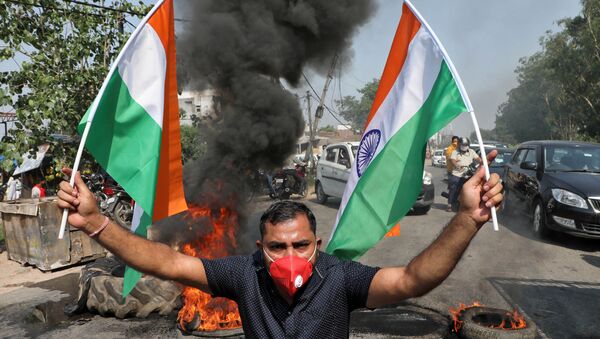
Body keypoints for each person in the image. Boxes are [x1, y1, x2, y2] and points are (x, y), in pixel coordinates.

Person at [56, 150, 503, 338]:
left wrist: (466, 219)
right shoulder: (243, 273)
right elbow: (169, 263)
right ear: (260, 246)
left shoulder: (340, 277)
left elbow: (411, 279)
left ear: (318, 243)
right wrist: (97, 223)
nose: (290, 258)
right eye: (277, 247)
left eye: (300, 245)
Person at [448, 137, 481, 212]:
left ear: (468, 145)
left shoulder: (471, 152)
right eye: (463, 144)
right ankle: (449, 204)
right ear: (459, 144)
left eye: (466, 144)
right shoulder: (455, 152)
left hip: (468, 173)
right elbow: (452, 160)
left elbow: (478, 159)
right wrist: (457, 165)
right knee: (454, 187)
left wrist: (483, 163)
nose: (464, 146)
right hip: (457, 174)